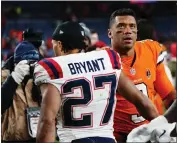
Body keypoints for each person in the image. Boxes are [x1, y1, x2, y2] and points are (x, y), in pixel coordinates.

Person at [34, 21, 159, 143]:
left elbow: (47, 120)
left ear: (60, 45)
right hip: (107, 139)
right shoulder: (107, 59)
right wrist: (162, 126)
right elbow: (140, 99)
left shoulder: (54, 67)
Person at [107, 8, 176, 142]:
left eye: (132, 26)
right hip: (115, 134)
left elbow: (168, 95)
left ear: (137, 31)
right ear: (110, 33)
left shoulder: (151, 50)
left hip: (148, 130)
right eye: (121, 26)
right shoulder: (104, 59)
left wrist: (166, 125)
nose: (128, 31)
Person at [1, 41, 41, 142]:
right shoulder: (3, 78)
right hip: (11, 139)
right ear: (16, 63)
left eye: (34, 62)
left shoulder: (40, 77)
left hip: (38, 136)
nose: (31, 66)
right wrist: (13, 79)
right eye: (28, 62)